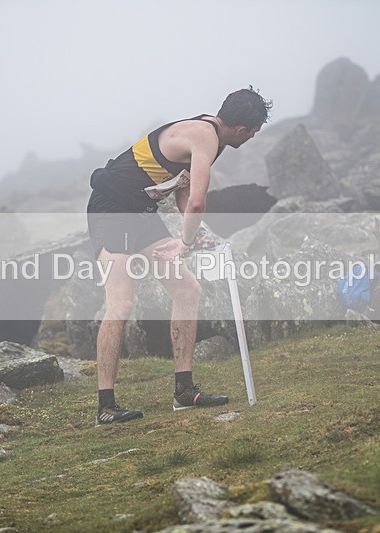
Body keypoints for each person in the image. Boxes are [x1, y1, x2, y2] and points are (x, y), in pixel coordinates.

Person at [86, 87, 272, 424]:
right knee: (121, 304)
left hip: (140, 210)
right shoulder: (204, 137)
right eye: (255, 131)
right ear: (243, 130)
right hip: (110, 208)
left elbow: (184, 194)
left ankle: (184, 391)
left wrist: (193, 234)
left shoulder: (206, 134)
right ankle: (105, 406)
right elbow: (199, 202)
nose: (254, 136)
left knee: (187, 290)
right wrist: (184, 242)